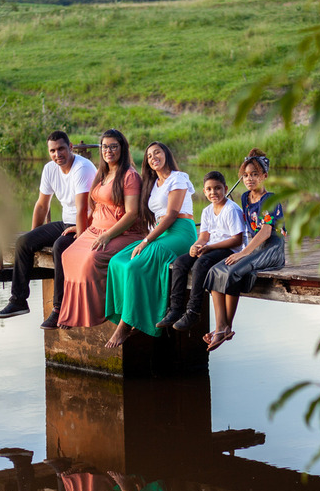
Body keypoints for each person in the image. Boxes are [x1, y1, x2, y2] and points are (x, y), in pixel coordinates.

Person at [0, 131, 96, 327]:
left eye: (61, 149)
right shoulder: (50, 169)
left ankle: (59, 309)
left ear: (71, 147)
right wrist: (34, 236)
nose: (57, 154)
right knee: (23, 242)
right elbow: (42, 205)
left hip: (87, 224)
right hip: (65, 222)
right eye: (52, 151)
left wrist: (81, 238)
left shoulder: (82, 168)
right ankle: (18, 301)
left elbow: (83, 208)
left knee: (60, 247)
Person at [102, 142, 197, 347]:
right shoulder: (153, 185)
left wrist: (146, 241)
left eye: (157, 153)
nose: (153, 157)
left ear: (166, 154)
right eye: (149, 156)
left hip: (181, 232)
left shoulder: (178, 178)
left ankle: (125, 326)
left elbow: (171, 215)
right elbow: (154, 217)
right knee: (118, 261)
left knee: (136, 266)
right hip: (161, 233)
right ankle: (129, 316)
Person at [56, 130, 144, 329]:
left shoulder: (129, 176)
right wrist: (81, 229)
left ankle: (97, 312)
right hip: (96, 229)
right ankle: (73, 313)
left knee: (92, 259)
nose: (109, 151)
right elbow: (95, 205)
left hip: (123, 232)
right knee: (69, 254)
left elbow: (132, 214)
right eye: (105, 146)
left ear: (122, 148)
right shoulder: (102, 172)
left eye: (114, 146)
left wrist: (107, 235)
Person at [204, 149, 286, 351]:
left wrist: (243, 253)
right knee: (215, 270)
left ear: (264, 176)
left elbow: (265, 232)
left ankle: (226, 327)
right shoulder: (244, 198)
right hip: (254, 247)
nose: (249, 179)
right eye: (246, 175)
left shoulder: (269, 199)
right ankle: (221, 326)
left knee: (234, 269)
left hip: (271, 248)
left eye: (255, 174)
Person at [157, 170, 247, 332]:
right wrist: (196, 245)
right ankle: (176, 308)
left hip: (229, 250)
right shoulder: (206, 211)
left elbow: (237, 240)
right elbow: (204, 236)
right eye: (209, 189)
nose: (214, 192)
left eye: (218, 188)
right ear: (204, 191)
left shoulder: (231, 209)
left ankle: (193, 311)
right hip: (210, 248)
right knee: (180, 262)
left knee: (201, 264)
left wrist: (209, 247)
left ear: (226, 189)